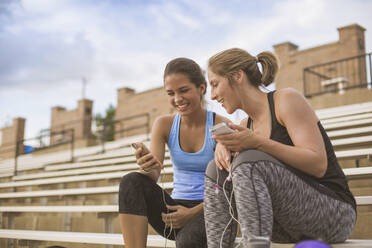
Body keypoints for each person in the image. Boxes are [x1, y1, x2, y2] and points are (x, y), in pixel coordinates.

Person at [203, 48, 356, 247]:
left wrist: (258, 143)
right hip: (283, 226)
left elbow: (318, 164)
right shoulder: (243, 125)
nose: (213, 96)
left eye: (215, 84)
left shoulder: (286, 100)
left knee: (248, 162)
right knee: (215, 169)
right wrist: (221, 147)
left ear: (238, 76)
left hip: (333, 213)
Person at [119, 57, 229, 248]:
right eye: (171, 93)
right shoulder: (164, 125)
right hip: (174, 210)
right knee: (131, 181)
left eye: (184, 90)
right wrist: (148, 164)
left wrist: (192, 213)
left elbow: (230, 187)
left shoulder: (221, 125)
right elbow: (153, 175)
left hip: (209, 209)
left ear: (202, 88)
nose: (177, 99)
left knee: (187, 241)